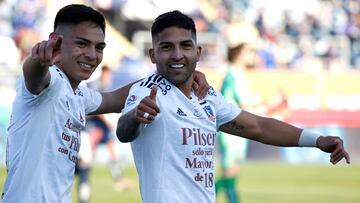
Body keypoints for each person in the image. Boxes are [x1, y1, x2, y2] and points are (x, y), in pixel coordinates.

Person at [116, 10, 350, 203]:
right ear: (152, 54)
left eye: (185, 45)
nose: (177, 54)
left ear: (197, 52)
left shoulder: (206, 97)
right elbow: (123, 131)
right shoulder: (147, 91)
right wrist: (135, 118)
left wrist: (317, 140)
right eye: (167, 47)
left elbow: (258, 127)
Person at [1, 5, 209, 203]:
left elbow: (117, 99)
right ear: (56, 41)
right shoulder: (51, 81)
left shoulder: (78, 95)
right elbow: (34, 76)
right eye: (82, 44)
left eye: (99, 47)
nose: (92, 55)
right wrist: (38, 60)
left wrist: (183, 75)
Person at [215, 43, 255, 203]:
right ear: (239, 55)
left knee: (232, 172)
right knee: (229, 171)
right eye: (248, 52)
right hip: (232, 129)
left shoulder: (232, 73)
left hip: (237, 128)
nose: (252, 55)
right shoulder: (234, 74)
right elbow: (244, 104)